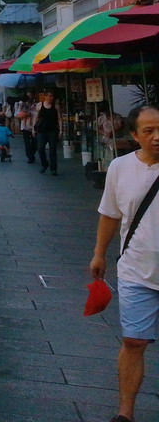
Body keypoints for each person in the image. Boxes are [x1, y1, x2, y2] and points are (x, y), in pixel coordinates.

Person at [90, 105, 159, 422]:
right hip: (135, 269)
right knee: (133, 341)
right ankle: (125, 413)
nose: (157, 137)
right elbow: (110, 214)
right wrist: (99, 252)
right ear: (134, 135)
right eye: (149, 131)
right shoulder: (119, 168)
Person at [33, 90, 61, 175]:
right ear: (45, 96)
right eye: (49, 96)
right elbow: (36, 117)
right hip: (41, 130)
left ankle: (53, 168)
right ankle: (44, 164)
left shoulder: (55, 106)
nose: (51, 98)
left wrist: (61, 131)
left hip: (52, 131)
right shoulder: (39, 105)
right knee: (40, 148)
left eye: (52, 96)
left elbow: (59, 119)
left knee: (53, 150)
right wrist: (33, 129)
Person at [17, 95, 37, 163]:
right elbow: (18, 115)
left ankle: (31, 153)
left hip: (34, 127)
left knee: (35, 142)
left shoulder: (36, 106)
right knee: (27, 143)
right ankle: (30, 157)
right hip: (25, 127)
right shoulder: (22, 106)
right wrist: (25, 114)